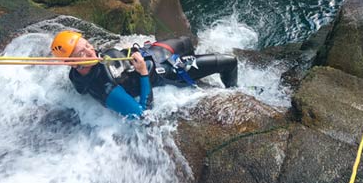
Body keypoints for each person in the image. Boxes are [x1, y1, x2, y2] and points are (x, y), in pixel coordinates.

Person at [50, 31, 238, 119]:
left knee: (185, 40)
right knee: (229, 62)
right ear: (70, 63)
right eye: (82, 53)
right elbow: (143, 115)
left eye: (88, 45)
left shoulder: (89, 62)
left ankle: (198, 65)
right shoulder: (105, 88)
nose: (91, 52)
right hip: (166, 70)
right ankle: (236, 92)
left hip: (152, 53)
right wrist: (143, 72)